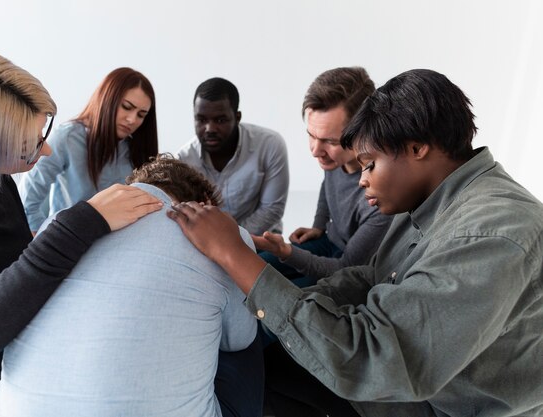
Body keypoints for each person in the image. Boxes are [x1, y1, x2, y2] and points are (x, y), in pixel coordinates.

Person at [168, 69, 543, 416]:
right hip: (407, 381)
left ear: (417, 148)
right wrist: (268, 301)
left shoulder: (493, 233)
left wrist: (235, 256)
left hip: (442, 405)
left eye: (369, 164)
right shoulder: (428, 201)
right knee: (258, 358)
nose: (361, 179)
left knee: (250, 376)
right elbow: (372, 277)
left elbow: (374, 359)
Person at [0, 45, 161, 417]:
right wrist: (78, 225)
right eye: (30, 145)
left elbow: (17, 268)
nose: (46, 151)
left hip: (4, 344)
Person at [0, 155, 263, 417]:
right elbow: (238, 339)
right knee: (253, 326)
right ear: (204, 205)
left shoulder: (57, 224)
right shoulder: (228, 236)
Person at [256, 68, 392, 286]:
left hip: (350, 269)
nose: (315, 151)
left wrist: (285, 251)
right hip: (328, 240)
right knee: (256, 265)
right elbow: (327, 183)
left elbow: (345, 268)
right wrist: (318, 224)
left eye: (330, 141)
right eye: (311, 135)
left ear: (363, 132)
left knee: (283, 298)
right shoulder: (334, 160)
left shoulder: (381, 195)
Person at [21, 67, 159, 233]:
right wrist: (43, 242)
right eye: (127, 107)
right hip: (69, 239)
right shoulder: (67, 138)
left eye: (141, 115)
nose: (132, 119)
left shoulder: (137, 150)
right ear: (107, 100)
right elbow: (27, 200)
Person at [177, 77, 289, 236]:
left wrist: (230, 239)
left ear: (237, 117)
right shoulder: (184, 159)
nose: (209, 128)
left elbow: (272, 210)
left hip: (259, 240)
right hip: (207, 244)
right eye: (201, 120)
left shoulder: (269, 145)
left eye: (220, 120)